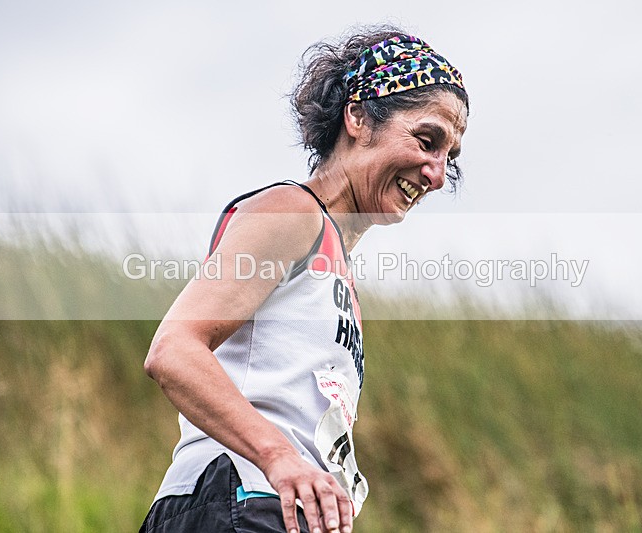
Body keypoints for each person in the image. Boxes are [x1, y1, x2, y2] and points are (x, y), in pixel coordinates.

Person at [140, 25, 468, 533]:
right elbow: (174, 349)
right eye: (427, 141)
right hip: (237, 498)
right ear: (357, 116)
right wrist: (279, 457)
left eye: (450, 157)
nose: (438, 173)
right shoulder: (293, 212)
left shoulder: (336, 264)